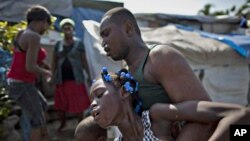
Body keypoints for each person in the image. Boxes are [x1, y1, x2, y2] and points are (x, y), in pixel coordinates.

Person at [99, 7, 214, 140]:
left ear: (128, 29)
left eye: (106, 34)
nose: (103, 43)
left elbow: (206, 114)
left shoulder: (160, 58)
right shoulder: (126, 73)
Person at [90, 67, 250, 141]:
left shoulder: (157, 118)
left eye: (99, 95)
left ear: (124, 92)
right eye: (91, 99)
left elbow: (241, 114)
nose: (92, 104)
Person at [7, 5, 52, 141]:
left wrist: (43, 64)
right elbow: (30, 66)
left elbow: (24, 57)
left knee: (43, 105)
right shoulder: (33, 37)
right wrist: (47, 73)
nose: (45, 29)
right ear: (43, 21)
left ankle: (45, 136)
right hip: (22, 84)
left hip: (17, 82)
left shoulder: (22, 33)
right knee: (36, 119)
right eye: (46, 25)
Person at [51, 18, 91, 131]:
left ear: (73, 29)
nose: (67, 29)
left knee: (79, 104)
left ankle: (81, 126)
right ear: (62, 30)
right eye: (64, 27)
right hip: (61, 79)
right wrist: (51, 76)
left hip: (76, 79)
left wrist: (89, 75)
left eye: (69, 27)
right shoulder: (58, 44)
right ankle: (62, 124)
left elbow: (84, 61)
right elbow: (54, 62)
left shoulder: (79, 44)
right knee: (61, 104)